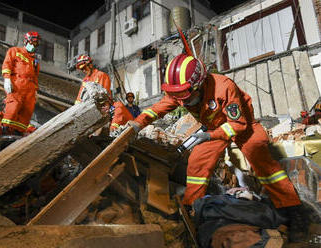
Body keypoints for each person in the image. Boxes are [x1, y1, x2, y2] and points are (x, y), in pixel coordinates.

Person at [128, 53, 308, 242]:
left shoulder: (224, 87)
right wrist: (137, 123)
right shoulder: (181, 92)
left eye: (186, 98)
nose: (182, 103)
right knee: (197, 162)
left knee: (264, 162)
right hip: (214, 128)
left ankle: (293, 210)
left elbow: (238, 124)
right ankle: (192, 209)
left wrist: (209, 135)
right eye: (178, 98)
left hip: (242, 124)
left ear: (200, 84)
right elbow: (156, 108)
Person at [1, 31, 41, 135]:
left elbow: (35, 76)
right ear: (26, 41)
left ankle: (18, 133)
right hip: (17, 85)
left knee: (27, 111)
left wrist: (35, 90)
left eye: (36, 44)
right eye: (32, 43)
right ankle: (5, 131)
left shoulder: (35, 61)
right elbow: (7, 64)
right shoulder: (15, 51)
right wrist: (7, 79)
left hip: (30, 89)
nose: (33, 46)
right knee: (13, 107)